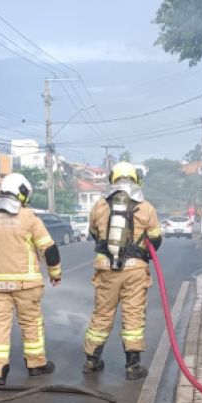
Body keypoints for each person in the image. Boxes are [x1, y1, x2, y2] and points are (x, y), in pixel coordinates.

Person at [0, 173, 62, 385]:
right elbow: (48, 248)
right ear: (21, 193)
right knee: (31, 324)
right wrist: (55, 274)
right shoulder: (29, 217)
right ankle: (36, 364)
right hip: (26, 284)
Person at [83, 161, 162, 380]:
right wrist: (141, 251)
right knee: (133, 316)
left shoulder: (99, 206)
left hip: (106, 270)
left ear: (112, 180)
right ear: (136, 181)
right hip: (135, 271)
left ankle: (91, 361)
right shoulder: (146, 207)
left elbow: (94, 235)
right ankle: (133, 367)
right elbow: (155, 240)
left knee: (102, 315)